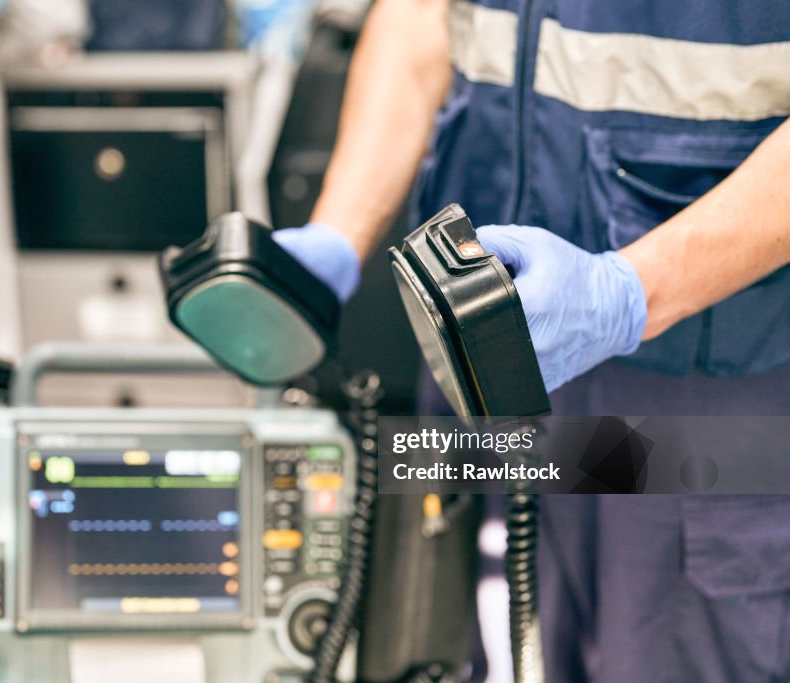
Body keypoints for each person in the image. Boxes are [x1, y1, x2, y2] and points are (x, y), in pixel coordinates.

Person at [272, 1, 790, 680]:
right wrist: (338, 234)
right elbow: (421, 16)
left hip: (694, 405)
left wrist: (630, 290)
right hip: (475, 358)